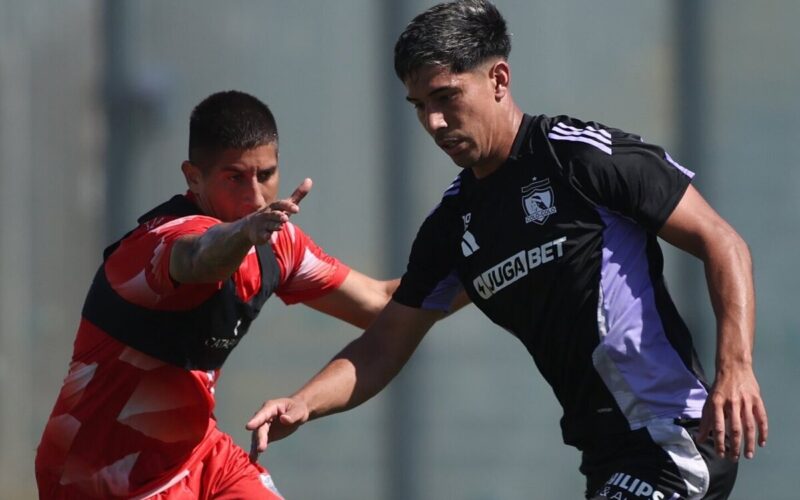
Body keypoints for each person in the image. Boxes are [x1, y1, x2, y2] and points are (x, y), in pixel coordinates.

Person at [246, 1, 769, 498]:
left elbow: (722, 241)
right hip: (606, 458)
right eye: (420, 106)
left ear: (498, 80)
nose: (433, 123)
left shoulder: (578, 159)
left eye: (446, 97)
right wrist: (303, 403)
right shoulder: (452, 227)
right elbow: (384, 343)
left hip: (674, 437)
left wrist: (736, 366)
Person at [34, 90, 401, 499]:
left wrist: (473, 258)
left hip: (200, 458)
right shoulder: (159, 241)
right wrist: (243, 234)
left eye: (266, 175)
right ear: (193, 177)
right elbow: (200, 258)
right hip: (98, 480)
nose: (256, 197)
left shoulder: (278, 243)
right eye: (235, 178)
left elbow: (384, 305)